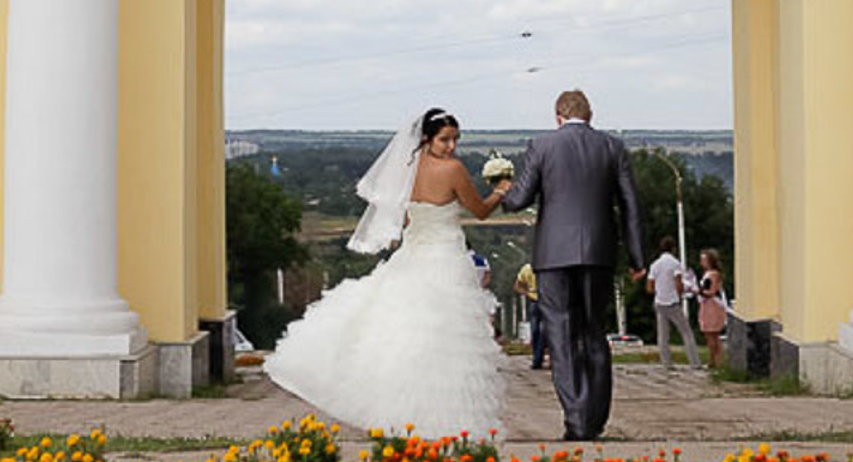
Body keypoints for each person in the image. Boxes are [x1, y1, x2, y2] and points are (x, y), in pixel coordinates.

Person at [265, 107, 510, 436]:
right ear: (426, 138)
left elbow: (406, 218)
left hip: (413, 255)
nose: (451, 146)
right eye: (445, 139)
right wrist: (499, 192)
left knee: (407, 335)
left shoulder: (406, 169)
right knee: (446, 342)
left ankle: (406, 415)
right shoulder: (452, 170)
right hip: (445, 258)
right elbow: (479, 211)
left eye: (455, 140)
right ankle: (443, 421)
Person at [499, 89, 645, 442]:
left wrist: (504, 190)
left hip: (553, 256)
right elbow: (631, 206)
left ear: (558, 115)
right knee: (594, 333)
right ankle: (594, 419)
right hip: (599, 252)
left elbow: (519, 199)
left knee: (561, 337)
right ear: (590, 115)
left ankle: (576, 420)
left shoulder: (542, 145)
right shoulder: (613, 147)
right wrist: (639, 258)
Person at [646, 236, 702, 370]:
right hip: (672, 301)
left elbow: (649, 287)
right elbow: (678, 283)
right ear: (673, 248)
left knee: (663, 335)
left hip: (659, 302)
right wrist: (680, 294)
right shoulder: (675, 263)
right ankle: (694, 362)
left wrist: (658, 290)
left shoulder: (655, 264)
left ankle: (666, 363)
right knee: (686, 332)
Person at [696, 248, 728, 368]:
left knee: (712, 335)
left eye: (704, 259)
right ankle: (715, 360)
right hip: (707, 305)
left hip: (712, 307)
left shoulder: (713, 275)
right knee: (711, 335)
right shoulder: (707, 274)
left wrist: (699, 291)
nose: (702, 262)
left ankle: (715, 361)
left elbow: (712, 291)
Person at [514, 262, 547, 369]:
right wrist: (527, 292)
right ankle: (537, 359)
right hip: (534, 301)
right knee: (535, 330)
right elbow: (517, 285)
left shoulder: (547, 267)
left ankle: (538, 360)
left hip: (549, 302)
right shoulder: (527, 269)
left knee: (543, 331)